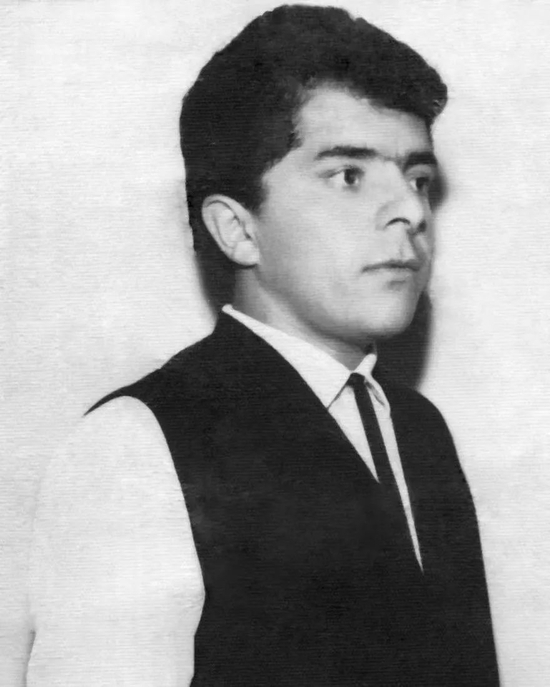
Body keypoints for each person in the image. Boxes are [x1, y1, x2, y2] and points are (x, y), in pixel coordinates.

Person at [25, 5, 500, 686]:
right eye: (349, 175)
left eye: (418, 179)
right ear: (238, 229)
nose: (411, 210)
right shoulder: (135, 446)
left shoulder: (420, 431)